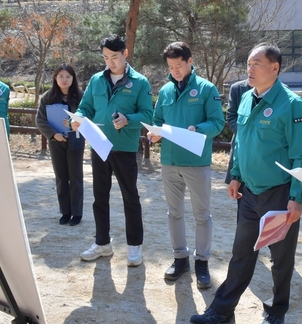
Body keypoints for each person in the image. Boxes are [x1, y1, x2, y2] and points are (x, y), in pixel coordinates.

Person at [190, 43, 302, 324]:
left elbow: (300, 155)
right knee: (241, 254)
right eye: (248, 64)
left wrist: (297, 198)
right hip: (248, 193)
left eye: (256, 63)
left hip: (279, 194)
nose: (250, 69)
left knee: (280, 260)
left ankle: (276, 312)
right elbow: (240, 144)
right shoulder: (246, 98)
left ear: (275, 68)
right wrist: (235, 175)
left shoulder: (292, 105)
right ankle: (221, 311)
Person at [147, 42, 225, 289]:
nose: (175, 70)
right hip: (169, 162)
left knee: (201, 214)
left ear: (190, 61)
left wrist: (198, 129)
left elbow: (217, 122)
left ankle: (201, 262)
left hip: (196, 162)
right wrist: (154, 134)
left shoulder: (206, 88)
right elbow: (157, 120)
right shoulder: (166, 90)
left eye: (178, 65)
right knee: (174, 213)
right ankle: (179, 258)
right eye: (170, 66)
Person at [73, 34, 153, 267]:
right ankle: (102, 243)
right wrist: (78, 118)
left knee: (130, 197)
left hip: (124, 148)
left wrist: (128, 119)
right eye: (106, 57)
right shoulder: (96, 80)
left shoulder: (140, 82)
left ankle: (135, 246)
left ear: (125, 54)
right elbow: (85, 107)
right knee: (100, 197)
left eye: (115, 57)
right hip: (98, 145)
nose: (111, 62)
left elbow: (147, 115)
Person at [36, 64, 85, 226]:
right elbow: (40, 120)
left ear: (73, 79)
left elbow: (88, 116)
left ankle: (77, 213)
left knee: (75, 177)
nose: (64, 80)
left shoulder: (80, 96)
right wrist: (53, 134)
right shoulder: (47, 97)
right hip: (56, 141)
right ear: (55, 78)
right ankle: (65, 212)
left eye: (68, 77)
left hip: (75, 141)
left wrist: (75, 124)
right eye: (61, 76)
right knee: (61, 178)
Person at [224, 79, 251, 185]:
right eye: (249, 64)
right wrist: (244, 135)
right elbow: (231, 116)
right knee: (239, 186)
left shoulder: (282, 90)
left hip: (265, 149)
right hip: (240, 144)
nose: (251, 69)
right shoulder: (237, 88)